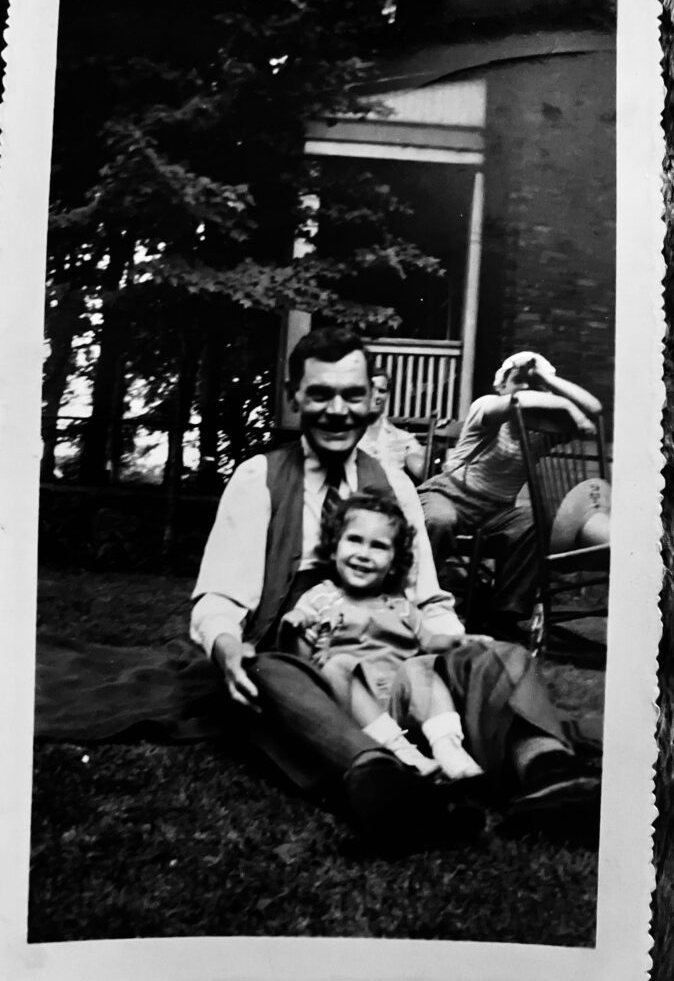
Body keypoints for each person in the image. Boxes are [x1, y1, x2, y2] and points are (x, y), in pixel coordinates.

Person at [191, 328, 600, 848]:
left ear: (369, 401)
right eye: (320, 394)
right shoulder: (260, 478)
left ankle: (547, 774)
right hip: (307, 656)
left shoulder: (394, 482)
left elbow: (426, 595)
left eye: (352, 395)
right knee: (270, 672)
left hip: (398, 651)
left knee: (499, 655)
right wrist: (225, 644)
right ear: (294, 397)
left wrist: (456, 642)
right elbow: (222, 595)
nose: (337, 410)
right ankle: (385, 786)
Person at [279, 490, 483, 782]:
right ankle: (403, 753)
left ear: (394, 561)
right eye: (354, 540)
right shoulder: (320, 598)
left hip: (401, 701)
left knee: (421, 666)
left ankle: (448, 748)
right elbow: (300, 663)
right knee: (338, 664)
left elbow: (429, 640)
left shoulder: (399, 604)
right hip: (351, 703)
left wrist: (455, 641)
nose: (363, 554)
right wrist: (293, 628)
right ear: (334, 548)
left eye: (378, 546)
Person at [418, 351, 603, 640]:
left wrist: (547, 379)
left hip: (495, 512)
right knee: (440, 520)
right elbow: (519, 402)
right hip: (448, 494)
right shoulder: (487, 408)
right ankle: (418, 601)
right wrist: (567, 405)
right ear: (501, 386)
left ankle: (503, 618)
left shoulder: (541, 433)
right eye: (518, 381)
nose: (526, 389)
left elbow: (595, 407)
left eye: (535, 386)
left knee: (531, 522)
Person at [358, 366, 426, 480]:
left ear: (387, 395)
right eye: (370, 389)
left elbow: (421, 468)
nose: (376, 396)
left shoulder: (401, 438)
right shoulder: (343, 434)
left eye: (382, 391)